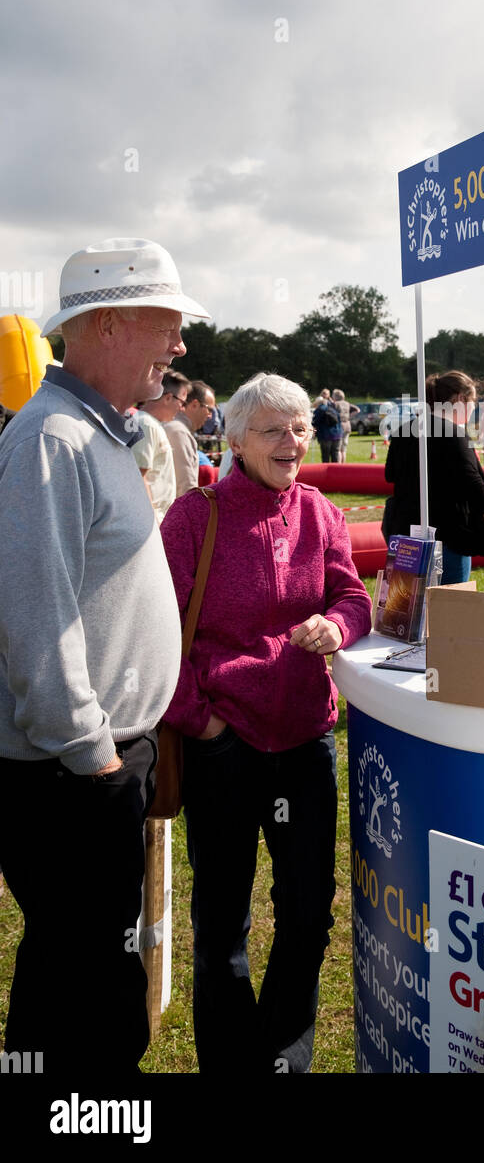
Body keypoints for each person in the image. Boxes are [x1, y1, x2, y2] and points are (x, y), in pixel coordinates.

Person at [0, 237, 209, 1071]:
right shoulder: (52, 442)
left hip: (93, 762)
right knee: (88, 992)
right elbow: (32, 616)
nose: (181, 346)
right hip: (71, 773)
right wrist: (95, 759)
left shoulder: (98, 435)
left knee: (71, 976)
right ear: (113, 323)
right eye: (168, 323)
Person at [160, 373, 372, 1074]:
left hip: (307, 740)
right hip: (225, 747)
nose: (292, 442)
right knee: (222, 922)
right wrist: (203, 722)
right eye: (274, 430)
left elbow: (352, 595)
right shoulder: (195, 517)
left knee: (309, 913)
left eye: (301, 428)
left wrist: (335, 625)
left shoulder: (320, 512)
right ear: (238, 438)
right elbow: (157, 632)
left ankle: (282, 1056)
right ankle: (228, 1063)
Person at [384, 370, 484, 584]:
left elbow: (389, 474)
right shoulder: (454, 435)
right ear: (460, 399)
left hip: (406, 538)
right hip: (448, 539)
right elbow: (474, 486)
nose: (474, 408)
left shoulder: (402, 432)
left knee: (407, 613)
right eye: (473, 401)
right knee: (449, 610)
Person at [132, 381, 181, 521]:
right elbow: (138, 476)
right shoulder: (146, 424)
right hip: (152, 521)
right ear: (168, 398)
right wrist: (153, 523)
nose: (182, 408)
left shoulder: (150, 423)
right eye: (182, 402)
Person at [164, 377, 216, 495]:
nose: (210, 416)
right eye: (209, 410)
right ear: (194, 405)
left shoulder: (174, 427)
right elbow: (186, 487)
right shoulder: (179, 432)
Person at [312, 390, 342, 463]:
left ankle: (327, 474)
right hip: (337, 434)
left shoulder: (319, 409)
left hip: (325, 435)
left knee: (325, 456)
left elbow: (315, 422)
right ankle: (336, 472)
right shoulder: (333, 406)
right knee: (335, 455)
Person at [332, 388, 359, 464]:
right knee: (344, 449)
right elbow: (357, 410)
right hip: (347, 426)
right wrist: (349, 416)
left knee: (338, 449)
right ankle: (344, 465)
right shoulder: (347, 403)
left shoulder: (336, 404)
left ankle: (339, 466)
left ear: (335, 396)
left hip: (339, 426)